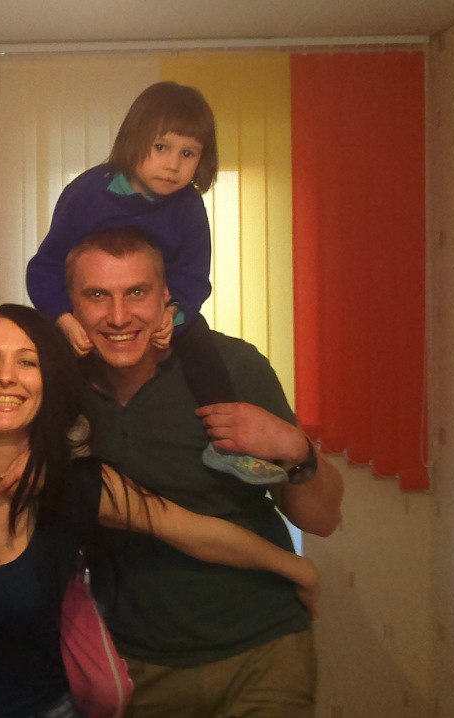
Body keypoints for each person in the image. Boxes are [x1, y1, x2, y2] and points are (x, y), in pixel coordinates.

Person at [0, 304, 321, 718]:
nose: (6, 377)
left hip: (51, 707)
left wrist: (295, 567)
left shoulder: (74, 484)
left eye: (27, 362)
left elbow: (191, 531)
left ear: (49, 381)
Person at [66, 228, 344, 717]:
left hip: (264, 651)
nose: (118, 316)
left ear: (166, 296)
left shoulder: (229, 367)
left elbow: (322, 520)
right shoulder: (58, 387)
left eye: (136, 292)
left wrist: (296, 449)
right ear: (70, 304)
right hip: (135, 662)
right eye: (97, 295)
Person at [25, 81, 285, 486]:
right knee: (50, 358)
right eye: (161, 147)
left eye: (188, 153)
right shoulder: (87, 192)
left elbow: (193, 274)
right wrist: (62, 317)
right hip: (79, 313)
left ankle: (227, 447)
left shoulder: (188, 205)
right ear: (133, 140)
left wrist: (173, 312)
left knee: (202, 348)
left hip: (163, 309)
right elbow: (45, 267)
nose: (173, 165)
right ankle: (46, 442)